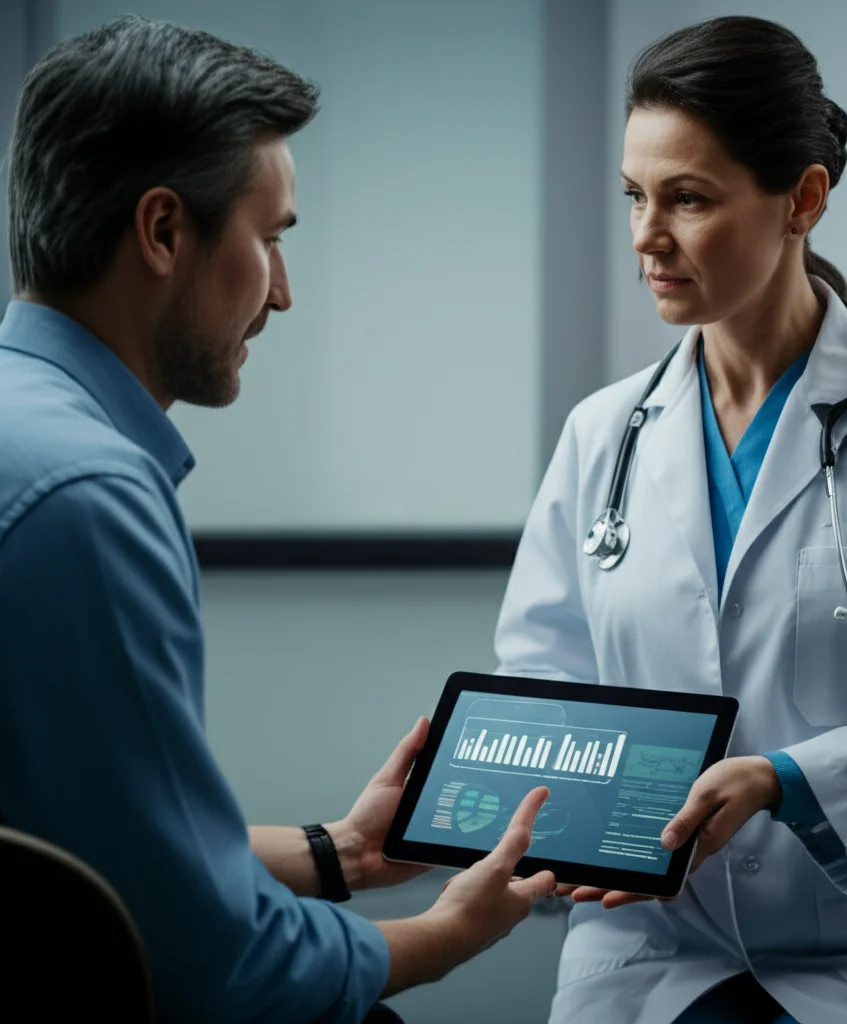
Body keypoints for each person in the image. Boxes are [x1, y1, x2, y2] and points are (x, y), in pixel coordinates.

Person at [0, 16, 558, 1024]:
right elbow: (215, 964)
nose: (284, 293)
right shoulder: (87, 497)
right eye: (271, 238)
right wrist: (447, 934)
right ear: (164, 231)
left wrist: (340, 851)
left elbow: (79, 840)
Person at [495, 15, 847, 1024]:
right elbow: (544, 682)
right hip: (650, 941)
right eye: (634, 198)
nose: (648, 237)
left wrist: (788, 782)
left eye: (688, 199)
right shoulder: (603, 433)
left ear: (802, 199)